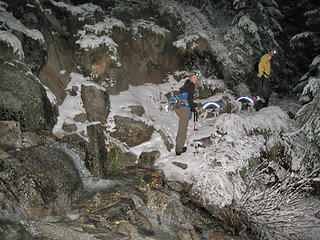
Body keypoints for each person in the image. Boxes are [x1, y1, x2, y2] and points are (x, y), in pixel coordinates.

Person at [175, 72, 199, 155]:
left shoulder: (187, 84)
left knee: (182, 127)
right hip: (184, 109)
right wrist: (194, 107)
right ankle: (179, 149)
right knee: (183, 129)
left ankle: (179, 145)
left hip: (181, 108)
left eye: (196, 78)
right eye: (194, 77)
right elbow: (189, 98)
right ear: (190, 78)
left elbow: (189, 98)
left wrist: (193, 106)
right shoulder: (191, 85)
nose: (195, 79)